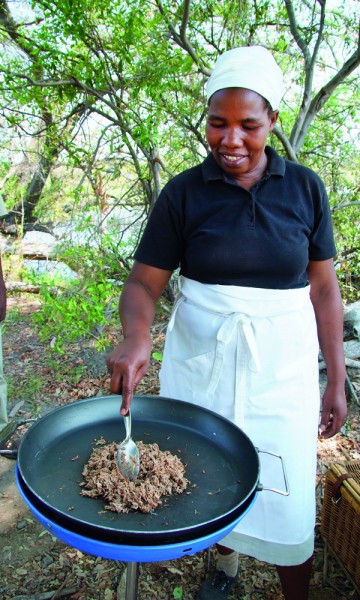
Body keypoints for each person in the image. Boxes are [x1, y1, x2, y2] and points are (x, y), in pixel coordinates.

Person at [107, 46, 347, 600]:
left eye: (248, 125)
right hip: (203, 355)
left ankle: (296, 585)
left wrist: (335, 377)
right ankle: (227, 565)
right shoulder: (185, 193)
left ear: (273, 123)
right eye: (218, 123)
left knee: (286, 487)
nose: (230, 140)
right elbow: (145, 282)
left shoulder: (305, 189)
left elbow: (325, 287)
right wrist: (136, 335)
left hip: (280, 366)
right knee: (210, 466)